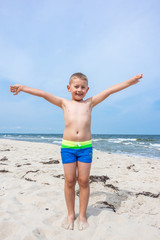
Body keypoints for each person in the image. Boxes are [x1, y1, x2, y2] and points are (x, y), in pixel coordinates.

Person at [10, 72, 143, 230]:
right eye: (76, 87)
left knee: (84, 181)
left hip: (85, 147)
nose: (79, 90)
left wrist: (130, 81)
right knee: (70, 181)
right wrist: (23, 88)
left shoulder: (90, 103)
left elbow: (110, 90)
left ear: (87, 89)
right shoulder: (64, 103)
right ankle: (71, 214)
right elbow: (43, 94)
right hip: (68, 147)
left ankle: (82, 216)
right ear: (69, 88)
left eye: (83, 87)